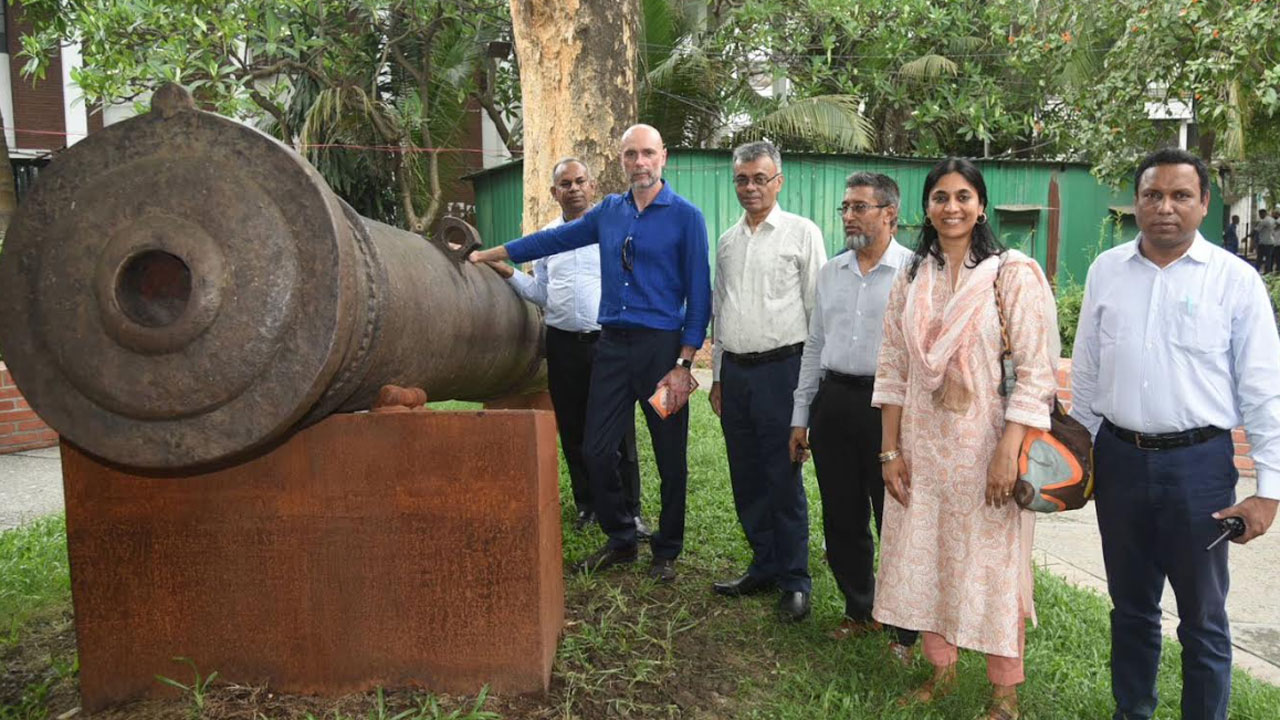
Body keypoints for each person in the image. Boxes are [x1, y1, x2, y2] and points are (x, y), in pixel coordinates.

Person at [1070, 148, 1280, 720]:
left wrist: (1268, 489)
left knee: (1203, 617)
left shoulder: (1235, 282)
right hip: (1118, 459)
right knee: (1131, 608)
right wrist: (1076, 454)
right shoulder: (1106, 271)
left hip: (1199, 469)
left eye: (1181, 196)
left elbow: (1265, 390)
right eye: (1152, 195)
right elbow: (1086, 368)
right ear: (1136, 203)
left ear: (1204, 204)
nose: (1165, 207)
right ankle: (1131, 710)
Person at [469, 125, 711, 583]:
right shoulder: (609, 212)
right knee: (597, 450)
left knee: (669, 456)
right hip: (613, 346)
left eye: (648, 154)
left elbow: (700, 296)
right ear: (621, 161)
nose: (640, 163)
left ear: (664, 158)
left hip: (661, 350)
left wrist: (683, 364)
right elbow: (550, 242)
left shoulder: (686, 217)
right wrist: (491, 254)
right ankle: (621, 537)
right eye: (630, 155)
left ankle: (667, 549)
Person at [872, 158, 1058, 720]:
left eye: (963, 196)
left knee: (992, 566)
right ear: (926, 208)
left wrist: (1008, 451)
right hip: (922, 445)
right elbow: (894, 366)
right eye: (939, 197)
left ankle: (1005, 694)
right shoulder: (912, 275)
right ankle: (942, 671)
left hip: (987, 446)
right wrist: (890, 451)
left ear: (980, 205)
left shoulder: (1011, 273)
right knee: (926, 555)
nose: (951, 207)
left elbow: (1036, 372)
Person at [788, 172, 921, 655]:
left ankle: (905, 627)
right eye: (845, 207)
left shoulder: (915, 272)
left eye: (859, 207)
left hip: (892, 409)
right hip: (835, 403)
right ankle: (859, 609)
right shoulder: (831, 273)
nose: (848, 216)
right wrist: (801, 415)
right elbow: (814, 345)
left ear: (889, 214)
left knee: (896, 516)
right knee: (842, 514)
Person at [482, 158, 648, 537]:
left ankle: (630, 510)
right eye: (565, 184)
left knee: (619, 431)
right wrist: (508, 273)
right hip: (561, 344)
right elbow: (540, 293)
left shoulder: (613, 231)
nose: (573, 189)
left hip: (607, 343)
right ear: (554, 192)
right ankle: (587, 505)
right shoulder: (546, 240)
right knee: (573, 428)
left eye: (579, 181)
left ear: (592, 188)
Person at [707, 141, 826, 622]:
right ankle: (764, 564)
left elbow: (818, 315)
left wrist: (810, 391)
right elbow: (721, 310)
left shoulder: (801, 233)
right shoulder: (728, 241)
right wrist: (717, 377)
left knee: (783, 476)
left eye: (760, 178)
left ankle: (796, 580)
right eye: (742, 179)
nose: (751, 187)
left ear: (779, 181)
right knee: (747, 476)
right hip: (735, 373)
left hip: (784, 372)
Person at [1253, 208, 1274, 272]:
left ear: (1263, 213)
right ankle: (1268, 271)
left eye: (1260, 214)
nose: (1260, 216)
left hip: (1263, 243)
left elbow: (1256, 230)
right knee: (1269, 259)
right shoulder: (1272, 220)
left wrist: (1247, 236)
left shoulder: (1264, 221)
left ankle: (1256, 270)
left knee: (1259, 258)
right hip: (1271, 242)